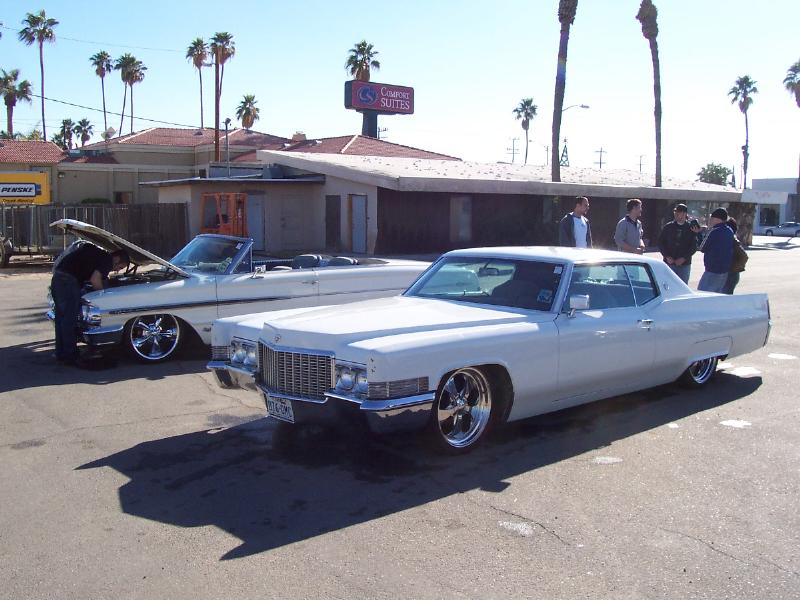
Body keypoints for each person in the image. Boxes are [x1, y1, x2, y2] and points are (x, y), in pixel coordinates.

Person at [51, 243, 129, 365]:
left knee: (61, 318)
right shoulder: (107, 260)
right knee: (69, 319)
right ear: (117, 258)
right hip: (68, 281)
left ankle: (60, 353)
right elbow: (95, 279)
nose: (117, 270)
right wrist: (103, 297)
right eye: (120, 267)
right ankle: (70, 355)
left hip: (57, 277)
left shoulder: (96, 254)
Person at [697, 207, 734, 293]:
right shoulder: (729, 231)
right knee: (717, 295)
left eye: (712, 218)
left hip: (712, 270)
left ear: (718, 219)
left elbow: (702, 247)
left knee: (703, 294)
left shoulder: (714, 231)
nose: (710, 220)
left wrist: (698, 234)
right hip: (724, 270)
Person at [658, 203, 697, 284]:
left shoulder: (691, 228)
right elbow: (661, 243)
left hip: (684, 264)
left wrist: (684, 258)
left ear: (685, 214)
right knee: (667, 284)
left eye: (679, 212)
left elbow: (694, 246)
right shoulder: (668, 227)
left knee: (682, 285)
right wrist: (667, 256)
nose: (676, 214)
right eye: (675, 212)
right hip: (669, 263)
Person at [722, 217, 748, 294]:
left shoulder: (733, 241)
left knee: (726, 296)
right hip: (728, 274)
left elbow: (744, 257)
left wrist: (733, 269)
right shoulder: (728, 240)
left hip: (731, 275)